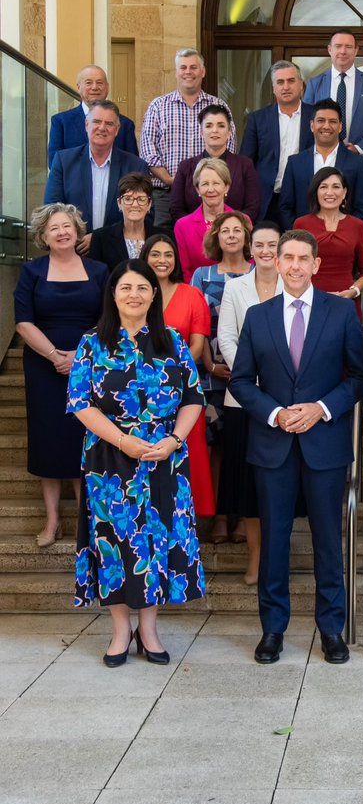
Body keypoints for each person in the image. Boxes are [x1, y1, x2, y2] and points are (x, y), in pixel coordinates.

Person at [229, 230, 363, 666]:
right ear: (273, 261)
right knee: (274, 540)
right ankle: (273, 629)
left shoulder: (342, 311)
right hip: (273, 444)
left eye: (300, 258)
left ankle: (332, 628)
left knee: (329, 540)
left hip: (324, 444)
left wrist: (322, 409)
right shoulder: (258, 316)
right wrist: (275, 413)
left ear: (315, 264)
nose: (291, 264)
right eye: (285, 256)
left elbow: (359, 378)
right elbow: (239, 381)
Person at [68, 259, 205, 666]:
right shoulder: (91, 343)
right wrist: (124, 441)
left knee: (157, 541)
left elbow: (193, 399)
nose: (134, 295)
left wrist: (174, 439)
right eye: (126, 287)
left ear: (153, 295)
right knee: (113, 542)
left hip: (164, 457)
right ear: (113, 294)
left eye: (143, 288)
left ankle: (149, 629)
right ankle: (119, 631)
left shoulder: (173, 341)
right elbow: (80, 404)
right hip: (110, 459)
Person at [14, 204, 107, 548]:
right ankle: (52, 520)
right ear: (43, 236)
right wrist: (55, 355)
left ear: (77, 231)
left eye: (67, 226)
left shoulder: (98, 271)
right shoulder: (32, 272)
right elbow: (23, 322)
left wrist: (80, 356)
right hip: (44, 366)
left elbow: (108, 318)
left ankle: (87, 519)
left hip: (89, 364)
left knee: (85, 439)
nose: (62, 232)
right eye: (54, 228)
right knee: (49, 441)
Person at [218, 222, 284, 585]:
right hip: (243, 397)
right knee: (249, 485)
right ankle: (256, 556)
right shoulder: (234, 288)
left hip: (285, 398)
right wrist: (249, 373)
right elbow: (226, 337)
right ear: (250, 248)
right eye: (258, 244)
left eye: (272, 244)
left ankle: (278, 555)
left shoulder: (295, 285)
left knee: (279, 481)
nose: (264, 250)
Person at [190, 212, 253, 544]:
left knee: (244, 447)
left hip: (253, 375)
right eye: (224, 230)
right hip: (211, 373)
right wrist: (211, 366)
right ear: (216, 236)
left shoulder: (260, 272)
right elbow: (196, 323)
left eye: (237, 230)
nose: (231, 235)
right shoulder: (202, 275)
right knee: (215, 446)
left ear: (246, 236)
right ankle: (215, 518)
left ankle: (241, 514)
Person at [141, 233, 214, 517]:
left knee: (188, 452)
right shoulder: (135, 293)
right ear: (144, 258)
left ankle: (187, 516)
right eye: (155, 254)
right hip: (139, 390)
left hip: (181, 389)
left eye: (168, 254)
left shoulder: (191, 294)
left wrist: (167, 373)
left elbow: (197, 346)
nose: (162, 260)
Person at [139, 48, 236, 227]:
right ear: (176, 72)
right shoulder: (158, 106)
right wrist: (169, 179)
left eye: (193, 67)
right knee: (164, 244)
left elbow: (228, 148)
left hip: (209, 193)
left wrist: (208, 180)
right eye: (183, 67)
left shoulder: (219, 106)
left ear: (203, 71)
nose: (188, 72)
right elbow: (148, 151)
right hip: (164, 195)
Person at [45, 101, 148, 250]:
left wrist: (100, 238)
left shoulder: (135, 166)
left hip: (118, 254)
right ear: (86, 125)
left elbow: (144, 214)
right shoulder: (63, 161)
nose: (102, 128)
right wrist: (74, 238)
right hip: (73, 250)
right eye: (97, 122)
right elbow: (52, 208)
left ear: (117, 129)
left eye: (109, 124)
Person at [294, 167, 363, 318]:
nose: (329, 192)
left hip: (345, 301)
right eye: (323, 187)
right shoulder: (301, 224)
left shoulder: (357, 225)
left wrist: (354, 291)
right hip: (309, 301)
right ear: (315, 192)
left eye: (336, 187)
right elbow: (294, 264)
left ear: (344, 192)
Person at [240, 61, 315, 222]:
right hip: (267, 200)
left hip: (304, 200)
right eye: (280, 82)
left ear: (301, 85)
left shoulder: (316, 116)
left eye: (291, 81)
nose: (286, 87)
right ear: (273, 88)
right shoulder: (258, 119)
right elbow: (246, 163)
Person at [279, 99, 363, 228]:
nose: (326, 126)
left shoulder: (357, 162)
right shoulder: (295, 163)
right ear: (312, 125)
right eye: (321, 121)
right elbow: (285, 207)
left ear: (340, 127)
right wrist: (299, 238)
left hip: (343, 242)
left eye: (332, 122)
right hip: (303, 242)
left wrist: (343, 235)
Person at [170, 104, 260, 224]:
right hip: (194, 234)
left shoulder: (245, 166)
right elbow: (176, 208)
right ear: (201, 132)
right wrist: (199, 227)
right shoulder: (186, 167)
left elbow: (252, 208)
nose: (215, 130)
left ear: (229, 133)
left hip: (234, 235)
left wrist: (229, 228)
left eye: (221, 125)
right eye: (208, 126)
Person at [302, 29, 363, 160]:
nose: (343, 51)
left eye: (348, 47)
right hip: (322, 158)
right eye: (338, 46)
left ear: (355, 50)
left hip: (359, 160)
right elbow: (307, 121)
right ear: (329, 50)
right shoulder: (315, 84)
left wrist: (360, 148)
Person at [48, 63, 137, 167]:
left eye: (99, 83)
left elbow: (132, 165)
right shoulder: (61, 122)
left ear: (107, 87)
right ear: (78, 87)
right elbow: (54, 163)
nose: (94, 87)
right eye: (88, 83)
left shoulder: (125, 124)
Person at [173, 158, 235, 283]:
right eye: (205, 184)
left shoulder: (242, 221)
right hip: (198, 294)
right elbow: (185, 272)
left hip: (238, 295)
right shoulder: (183, 226)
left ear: (226, 187)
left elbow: (249, 265)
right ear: (197, 189)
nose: (211, 189)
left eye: (216, 183)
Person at [88, 172, 162, 271]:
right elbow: (96, 276)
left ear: (149, 204)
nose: (135, 204)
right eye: (128, 199)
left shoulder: (162, 236)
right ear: (119, 203)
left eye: (141, 199)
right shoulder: (101, 237)